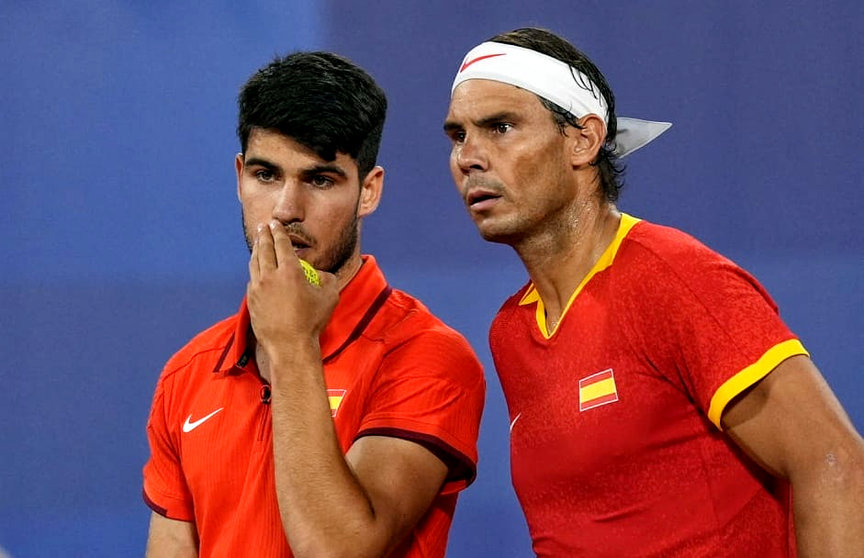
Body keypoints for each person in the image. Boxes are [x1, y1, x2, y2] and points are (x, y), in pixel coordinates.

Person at [443, 27, 864, 557]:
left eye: (500, 127)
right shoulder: (512, 329)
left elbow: (834, 464)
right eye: (458, 135)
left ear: (583, 140)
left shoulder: (676, 277)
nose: (468, 157)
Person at [142, 51, 485, 558]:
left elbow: (340, 550)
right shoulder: (188, 374)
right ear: (239, 176)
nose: (285, 210)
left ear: (369, 190)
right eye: (265, 175)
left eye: (319, 180)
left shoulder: (427, 358)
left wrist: (291, 342)